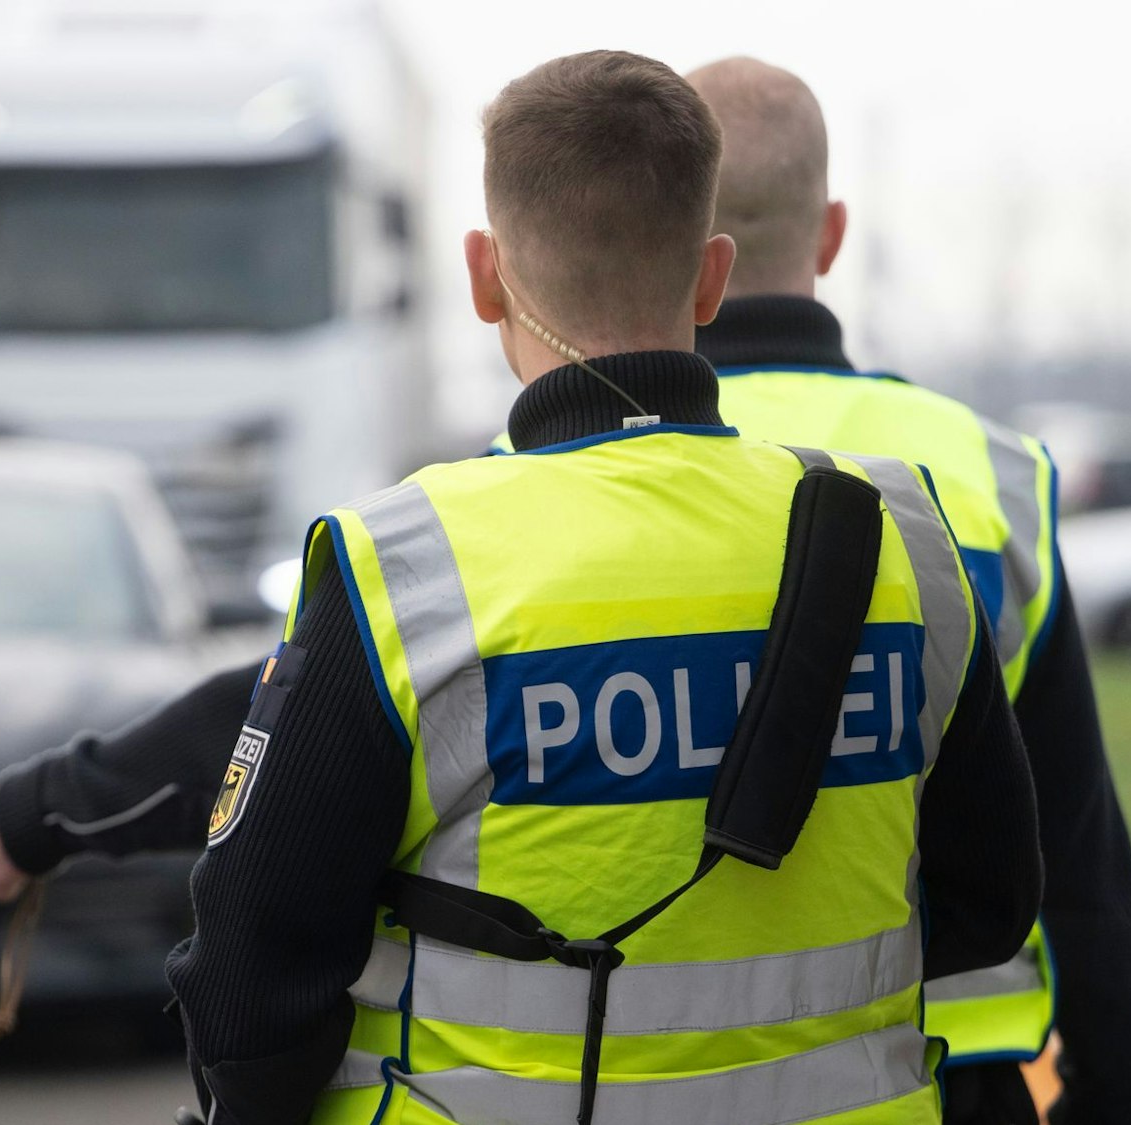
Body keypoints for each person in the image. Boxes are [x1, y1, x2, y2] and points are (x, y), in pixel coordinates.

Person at [156, 51, 1038, 1125]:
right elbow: (990, 900)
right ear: (710, 280)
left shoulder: (406, 561)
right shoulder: (904, 535)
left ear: (483, 276)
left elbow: (250, 969)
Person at [673, 57, 1131, 1125]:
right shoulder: (987, 471)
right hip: (952, 1072)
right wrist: (1110, 1090)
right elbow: (1073, 840)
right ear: (830, 235)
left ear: (672, 245)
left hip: (636, 1078)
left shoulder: (551, 472)